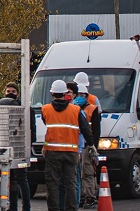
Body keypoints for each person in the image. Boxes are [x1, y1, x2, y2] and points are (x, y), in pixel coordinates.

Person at [41, 79, 93, 211]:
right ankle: (71, 208)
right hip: (71, 153)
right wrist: (91, 144)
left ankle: (54, 209)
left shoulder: (45, 109)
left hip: (52, 153)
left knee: (52, 183)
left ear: (52, 93)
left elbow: (46, 123)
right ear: (65, 94)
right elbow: (85, 129)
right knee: (70, 183)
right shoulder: (75, 110)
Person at [0, 82, 31, 211]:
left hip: (21, 149)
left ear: (18, 94)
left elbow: (30, 127)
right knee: (11, 179)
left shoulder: (24, 108)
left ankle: (26, 207)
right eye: (8, 91)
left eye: (13, 91)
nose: (10, 93)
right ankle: (13, 207)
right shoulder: (1, 108)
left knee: (22, 179)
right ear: (4, 93)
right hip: (7, 148)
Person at [74, 73, 102, 208]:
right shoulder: (72, 109)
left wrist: (93, 146)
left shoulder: (92, 108)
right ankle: (81, 196)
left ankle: (89, 197)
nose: (79, 97)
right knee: (77, 172)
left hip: (86, 144)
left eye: (82, 95)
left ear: (86, 95)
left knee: (87, 171)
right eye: (77, 94)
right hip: (75, 144)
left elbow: (96, 129)